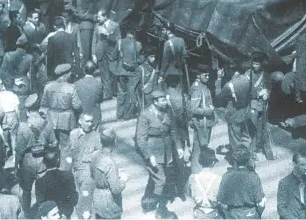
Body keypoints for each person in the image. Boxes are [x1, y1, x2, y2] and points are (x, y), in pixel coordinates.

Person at [134, 89, 183, 217]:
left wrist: (178, 147)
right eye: (162, 101)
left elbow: (173, 131)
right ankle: (160, 209)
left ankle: (150, 202)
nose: (166, 102)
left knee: (159, 178)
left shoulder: (168, 111)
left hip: (167, 151)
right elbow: (141, 138)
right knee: (161, 180)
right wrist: (149, 156)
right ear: (155, 102)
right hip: (153, 152)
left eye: (165, 100)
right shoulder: (145, 114)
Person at [39, 64, 82, 156]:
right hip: (66, 120)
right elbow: (77, 106)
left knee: (53, 144)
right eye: (69, 73)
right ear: (65, 75)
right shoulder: (71, 88)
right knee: (66, 145)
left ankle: (54, 164)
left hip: (51, 119)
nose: (71, 75)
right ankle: (64, 167)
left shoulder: (48, 87)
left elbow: (43, 104)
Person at [66, 112, 101, 218]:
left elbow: (99, 152)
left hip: (88, 173)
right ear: (80, 122)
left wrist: (88, 158)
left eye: (91, 121)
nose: (90, 124)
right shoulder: (73, 134)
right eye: (87, 121)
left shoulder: (96, 135)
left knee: (85, 200)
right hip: (75, 172)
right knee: (77, 198)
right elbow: (68, 152)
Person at [216, 145, 265, 219]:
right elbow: (260, 202)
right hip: (251, 213)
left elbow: (221, 202)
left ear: (234, 161)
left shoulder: (226, 177)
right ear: (248, 160)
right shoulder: (253, 176)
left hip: (233, 214)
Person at [90, 128, 128, 219]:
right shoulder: (110, 163)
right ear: (115, 141)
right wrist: (123, 180)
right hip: (110, 202)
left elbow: (93, 174)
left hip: (97, 197)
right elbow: (116, 189)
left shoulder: (94, 155)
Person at [246, 51, 275, 160]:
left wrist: (267, 92)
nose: (254, 66)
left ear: (261, 64)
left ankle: (264, 147)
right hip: (252, 104)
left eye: (257, 64)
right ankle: (251, 151)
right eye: (253, 63)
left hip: (263, 105)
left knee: (263, 128)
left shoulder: (266, 75)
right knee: (252, 129)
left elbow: (270, 87)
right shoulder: (248, 74)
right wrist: (257, 93)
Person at [34, 149, 78, 218]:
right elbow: (74, 197)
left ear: (43, 162)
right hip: (66, 215)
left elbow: (41, 203)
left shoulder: (39, 182)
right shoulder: (68, 175)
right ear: (58, 161)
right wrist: (65, 214)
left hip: (51, 216)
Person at [189, 64, 216, 174]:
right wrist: (209, 111)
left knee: (202, 148)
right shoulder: (197, 88)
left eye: (208, 75)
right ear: (198, 75)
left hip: (206, 123)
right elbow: (193, 109)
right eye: (205, 75)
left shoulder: (203, 86)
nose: (207, 77)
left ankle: (200, 172)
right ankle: (195, 174)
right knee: (198, 150)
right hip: (201, 124)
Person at [277, 153, 306, 219]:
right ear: (294, 164)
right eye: (302, 165)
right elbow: (281, 208)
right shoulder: (284, 183)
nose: (305, 168)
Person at [115, 24, 142, 119]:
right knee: (131, 91)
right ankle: (127, 114)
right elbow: (140, 58)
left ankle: (119, 113)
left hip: (121, 71)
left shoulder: (119, 42)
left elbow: (115, 56)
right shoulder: (138, 44)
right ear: (134, 33)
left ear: (126, 32)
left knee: (121, 92)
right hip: (132, 71)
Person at [92, 9, 120, 100]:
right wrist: (93, 54)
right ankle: (107, 94)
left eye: (99, 17)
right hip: (100, 53)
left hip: (111, 53)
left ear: (105, 16)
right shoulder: (97, 26)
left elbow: (118, 39)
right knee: (104, 74)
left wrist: (107, 34)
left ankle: (114, 91)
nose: (98, 18)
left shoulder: (115, 25)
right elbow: (94, 40)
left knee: (113, 72)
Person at [187, 148, 221, 219]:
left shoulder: (192, 178)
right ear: (213, 162)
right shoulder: (218, 178)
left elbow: (189, 194)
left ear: (200, 162)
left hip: (198, 213)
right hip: (214, 213)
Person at [74, 61, 104, 129]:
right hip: (95, 115)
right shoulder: (99, 84)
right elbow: (100, 99)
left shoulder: (76, 84)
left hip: (81, 115)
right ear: (94, 71)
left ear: (84, 70)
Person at [159, 23, 186, 90]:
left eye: (163, 30)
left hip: (169, 72)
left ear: (168, 31)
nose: (162, 32)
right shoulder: (181, 40)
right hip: (179, 72)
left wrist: (161, 73)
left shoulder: (167, 43)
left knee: (168, 92)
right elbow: (184, 55)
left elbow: (165, 60)